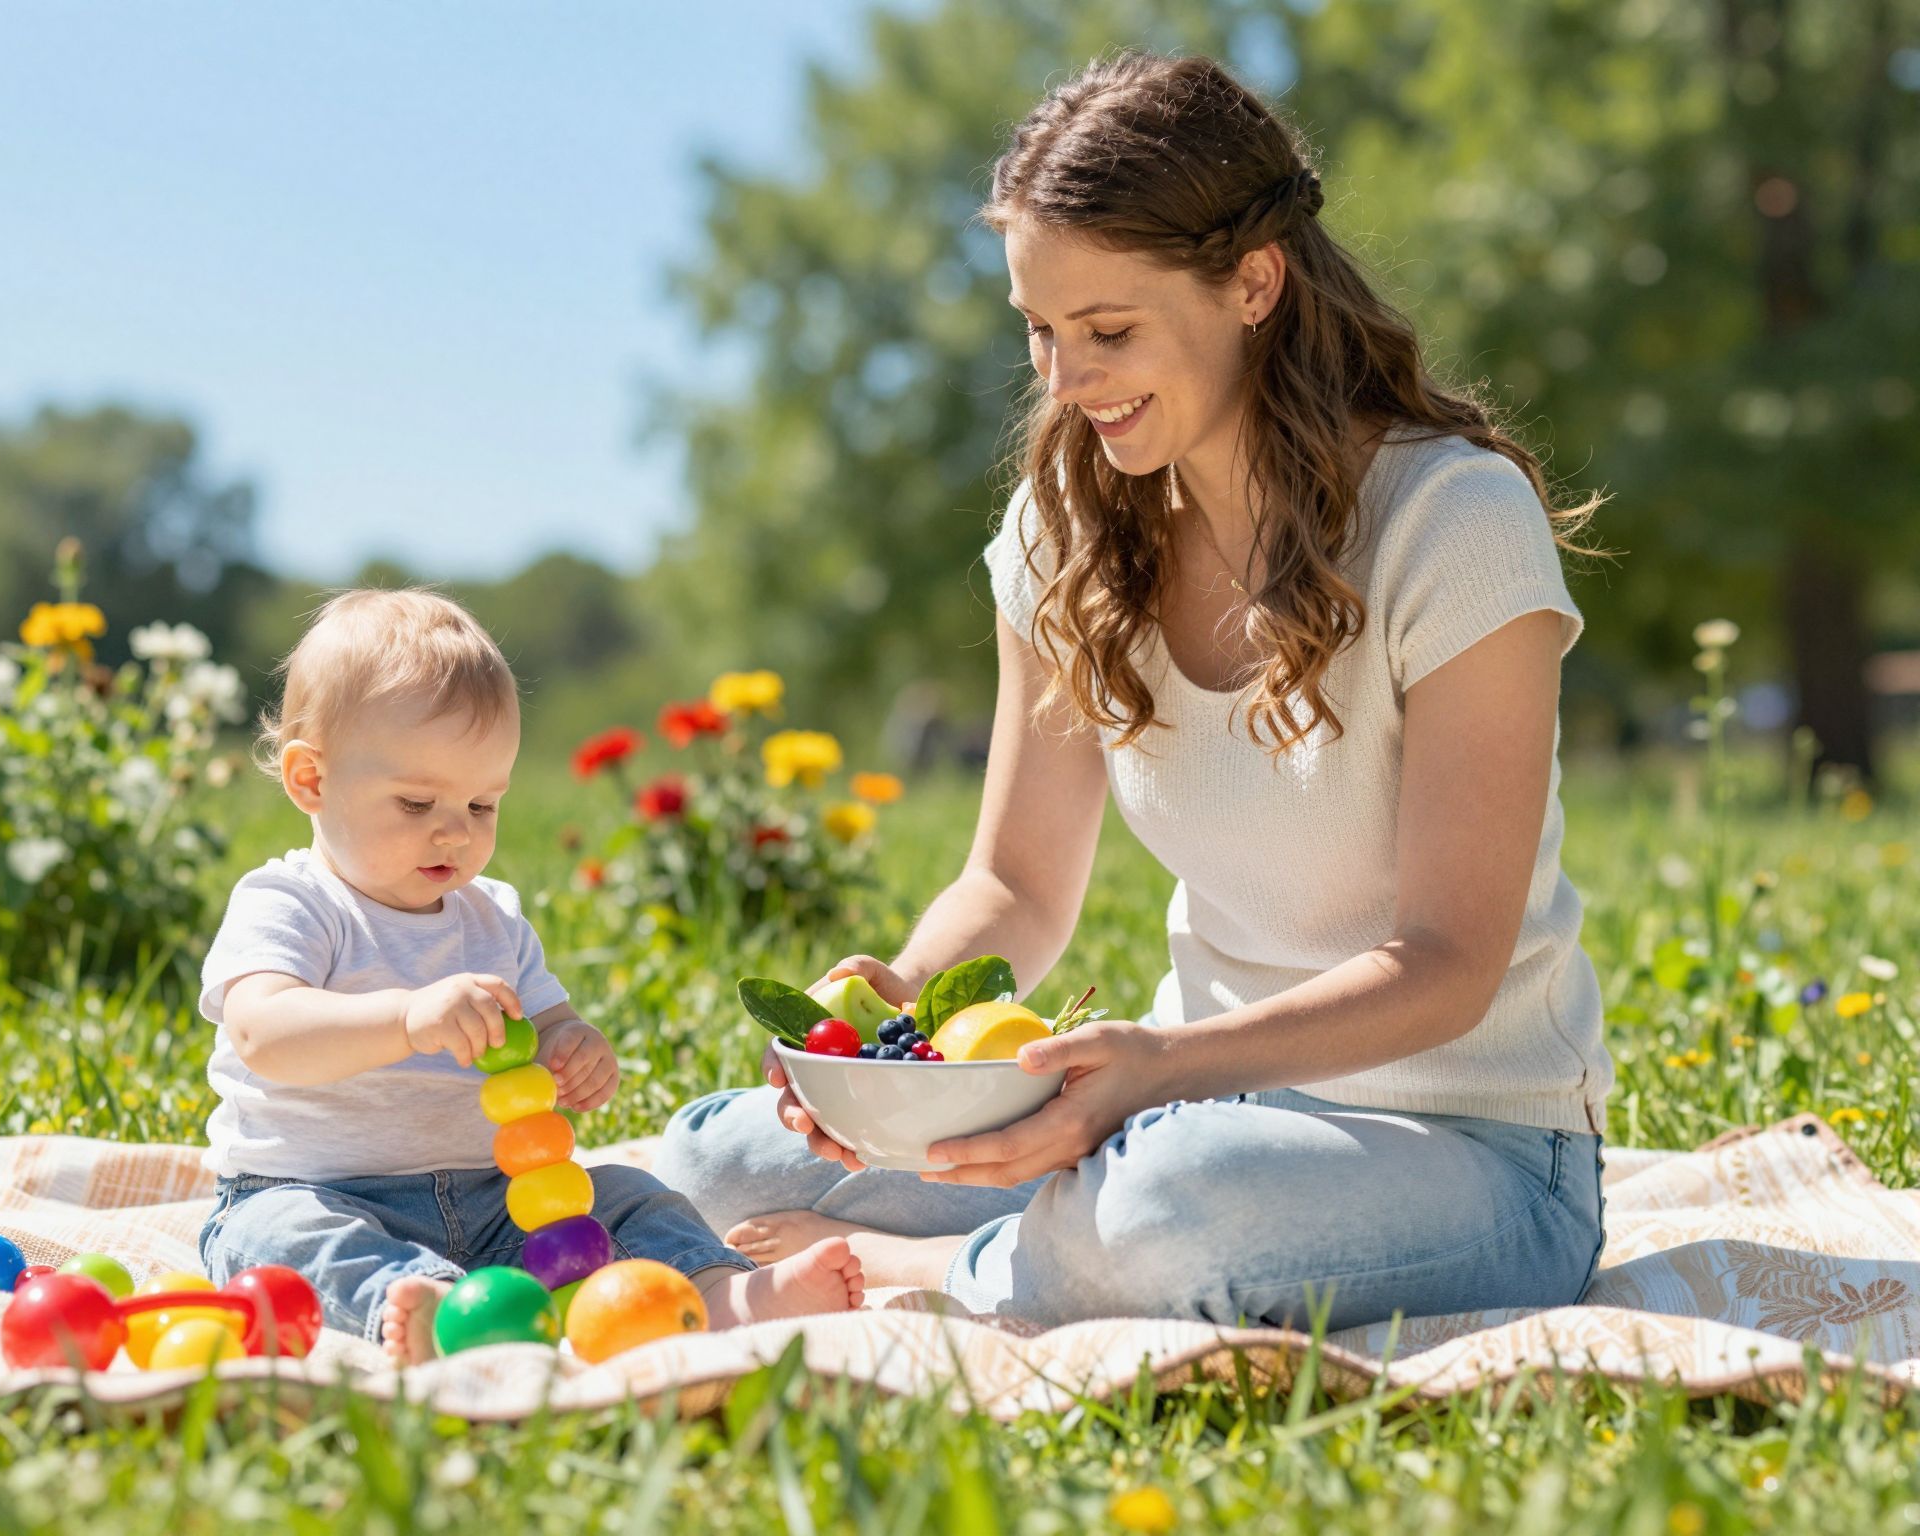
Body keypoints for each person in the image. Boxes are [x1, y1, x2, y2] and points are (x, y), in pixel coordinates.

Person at [653, 51, 1614, 1332]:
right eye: (1038, 332)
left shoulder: (1453, 521)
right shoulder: (1067, 529)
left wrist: (1155, 1075)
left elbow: (1444, 963)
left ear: (1252, 282)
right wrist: (897, 1039)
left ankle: (941, 1273)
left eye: (1107, 332)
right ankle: (1043, 1240)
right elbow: (1018, 884)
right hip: (1185, 1110)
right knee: (724, 1166)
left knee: (1160, 1208)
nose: (1063, 380)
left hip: (1469, 1145)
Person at [196, 588, 862, 1364]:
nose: (456, 830)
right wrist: (406, 1017)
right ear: (311, 780)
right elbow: (265, 1033)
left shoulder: (492, 918)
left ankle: (721, 1295)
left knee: (626, 1197)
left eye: (483, 803)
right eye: (416, 803)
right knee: (277, 1242)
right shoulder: (293, 903)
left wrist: (576, 1047)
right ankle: (426, 1313)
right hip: (317, 1192)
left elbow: (550, 1022)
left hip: (497, 1202)